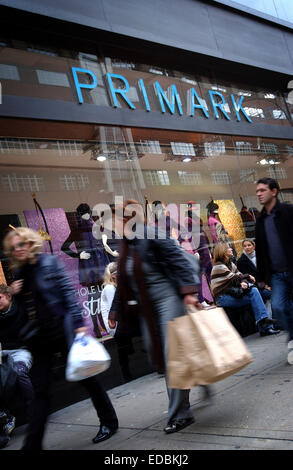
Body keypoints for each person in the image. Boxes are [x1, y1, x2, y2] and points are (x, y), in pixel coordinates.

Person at [3, 227, 118, 450]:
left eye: (22, 244)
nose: (18, 249)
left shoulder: (48, 263)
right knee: (40, 391)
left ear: (30, 243)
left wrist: (78, 326)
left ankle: (109, 422)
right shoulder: (20, 273)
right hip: (38, 338)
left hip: (61, 330)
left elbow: (67, 293)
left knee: (87, 379)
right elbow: (26, 308)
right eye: (14, 247)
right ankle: (33, 445)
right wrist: (16, 294)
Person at [107, 199, 204, 434]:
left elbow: (180, 260)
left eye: (114, 219)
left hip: (168, 298)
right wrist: (115, 311)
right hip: (148, 307)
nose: (110, 225)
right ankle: (197, 377)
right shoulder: (126, 244)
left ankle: (180, 415)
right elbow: (123, 280)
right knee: (157, 356)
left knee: (172, 358)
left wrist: (189, 293)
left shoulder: (150, 233)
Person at [255, 177, 293, 363]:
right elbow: (261, 250)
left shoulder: (287, 211)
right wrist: (262, 277)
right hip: (277, 274)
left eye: (263, 190)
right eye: (257, 191)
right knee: (278, 306)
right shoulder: (260, 220)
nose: (259, 194)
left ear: (274, 191)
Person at [210, 242, 280, 336]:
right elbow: (236, 278)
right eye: (228, 248)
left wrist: (244, 281)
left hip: (232, 294)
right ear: (223, 252)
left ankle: (264, 323)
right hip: (223, 298)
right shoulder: (219, 266)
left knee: (255, 291)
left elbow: (240, 276)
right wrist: (248, 276)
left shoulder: (231, 264)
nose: (231, 249)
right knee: (255, 293)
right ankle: (264, 326)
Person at [0, 284, 34, 442]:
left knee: (19, 373)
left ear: (8, 296)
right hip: (3, 353)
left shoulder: (19, 309)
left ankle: (34, 411)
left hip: (21, 350)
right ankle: (5, 416)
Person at [101, 262, 134, 382]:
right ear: (114, 276)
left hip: (118, 323)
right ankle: (126, 374)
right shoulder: (109, 288)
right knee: (122, 348)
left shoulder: (115, 287)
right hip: (115, 325)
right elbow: (115, 310)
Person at [236, 239, 272, 305]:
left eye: (249, 245)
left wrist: (268, 284)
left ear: (254, 246)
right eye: (245, 246)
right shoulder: (240, 261)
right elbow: (245, 278)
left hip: (268, 284)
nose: (247, 247)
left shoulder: (261, 256)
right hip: (255, 287)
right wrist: (264, 286)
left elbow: (267, 271)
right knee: (272, 295)